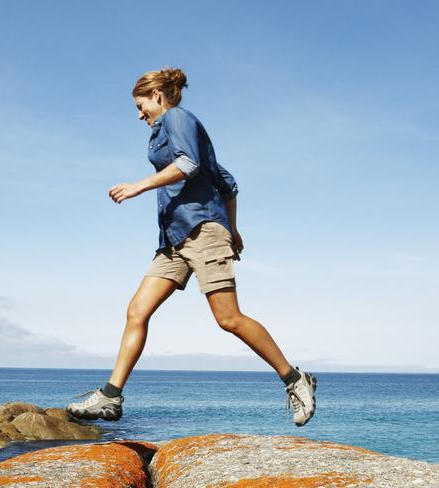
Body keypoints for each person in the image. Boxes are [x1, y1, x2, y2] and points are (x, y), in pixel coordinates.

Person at [66, 67, 317, 427]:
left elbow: (188, 165)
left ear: (157, 95)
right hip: (173, 240)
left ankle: (295, 379)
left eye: (141, 105)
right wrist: (233, 226)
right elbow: (227, 182)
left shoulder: (177, 118)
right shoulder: (162, 131)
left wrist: (139, 187)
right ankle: (110, 396)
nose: (139, 114)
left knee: (228, 318)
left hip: (201, 231)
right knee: (137, 310)